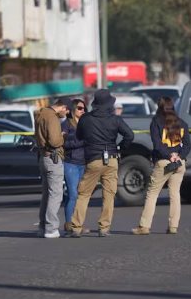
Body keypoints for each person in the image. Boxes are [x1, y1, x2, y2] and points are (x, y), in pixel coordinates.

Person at [70, 89, 134, 237]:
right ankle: (104, 228)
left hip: (93, 159)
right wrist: (120, 148)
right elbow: (129, 135)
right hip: (111, 158)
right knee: (109, 195)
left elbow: (79, 136)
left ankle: (76, 227)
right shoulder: (115, 119)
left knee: (84, 194)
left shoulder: (86, 119)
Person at [132, 96, 191, 235]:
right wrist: (179, 156)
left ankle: (144, 226)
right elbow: (188, 145)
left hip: (164, 162)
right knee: (175, 194)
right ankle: (173, 226)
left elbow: (157, 145)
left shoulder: (156, 122)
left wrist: (169, 155)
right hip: (179, 163)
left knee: (152, 194)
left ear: (159, 107)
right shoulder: (182, 123)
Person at [34, 98, 71, 239]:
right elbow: (55, 141)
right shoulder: (53, 118)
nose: (66, 114)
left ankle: (42, 227)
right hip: (53, 158)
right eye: (66, 111)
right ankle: (51, 228)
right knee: (56, 194)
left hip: (43, 157)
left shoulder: (41, 114)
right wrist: (62, 136)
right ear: (63, 107)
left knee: (47, 195)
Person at [61, 98, 87, 234]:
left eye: (84, 108)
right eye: (80, 108)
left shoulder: (85, 124)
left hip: (83, 163)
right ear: (73, 110)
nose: (83, 110)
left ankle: (78, 224)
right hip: (70, 163)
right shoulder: (66, 125)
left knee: (81, 195)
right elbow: (64, 143)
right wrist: (81, 142)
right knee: (72, 194)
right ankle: (68, 223)